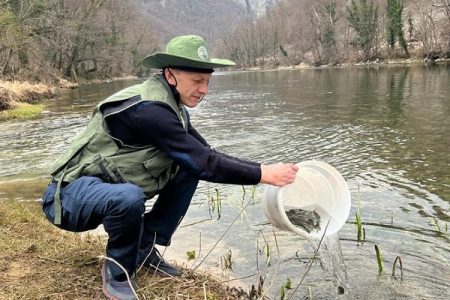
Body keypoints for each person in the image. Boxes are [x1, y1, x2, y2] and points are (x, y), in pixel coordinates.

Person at [41, 35, 298, 300]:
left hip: (108, 191)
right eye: (197, 81)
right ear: (170, 75)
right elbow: (206, 163)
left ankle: (143, 248)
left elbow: (204, 155)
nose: (204, 90)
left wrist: (264, 167)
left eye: (207, 82)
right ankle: (119, 271)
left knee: (187, 169)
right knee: (130, 196)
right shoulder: (149, 110)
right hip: (68, 198)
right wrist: (264, 175)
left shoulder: (173, 107)